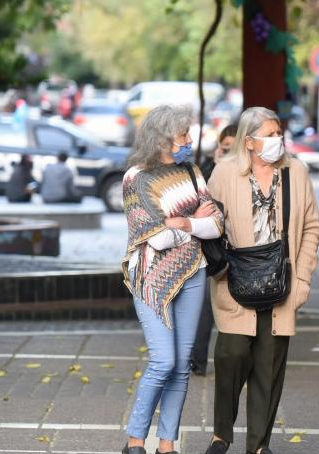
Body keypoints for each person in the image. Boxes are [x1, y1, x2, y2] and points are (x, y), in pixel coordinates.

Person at [205, 107, 319, 454]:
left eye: (278, 132)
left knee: (269, 366)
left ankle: (258, 444)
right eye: (269, 134)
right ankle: (221, 434)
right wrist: (218, 266)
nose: (277, 140)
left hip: (282, 281)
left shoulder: (295, 171)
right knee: (232, 354)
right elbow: (208, 226)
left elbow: (312, 226)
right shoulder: (225, 173)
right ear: (250, 141)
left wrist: (302, 279)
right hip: (235, 278)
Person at [120, 104, 224, 454]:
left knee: (181, 366)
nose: (189, 140)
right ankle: (135, 440)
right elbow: (156, 238)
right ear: (162, 137)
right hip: (150, 278)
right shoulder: (136, 178)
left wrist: (183, 223)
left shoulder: (193, 172)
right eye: (182, 135)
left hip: (193, 274)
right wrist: (193, 222)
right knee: (163, 361)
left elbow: (216, 225)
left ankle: (167, 444)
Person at [191, 123, 239, 377]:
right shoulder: (206, 172)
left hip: (241, 250)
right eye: (224, 147)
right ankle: (196, 359)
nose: (228, 153)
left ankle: (236, 359)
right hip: (214, 250)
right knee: (206, 306)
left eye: (233, 149)